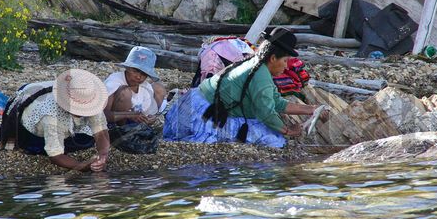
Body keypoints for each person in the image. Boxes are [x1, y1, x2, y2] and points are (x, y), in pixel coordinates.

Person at [163, 27, 327, 147]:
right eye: (285, 61)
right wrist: (287, 131)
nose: (285, 67)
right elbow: (266, 112)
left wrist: (311, 109)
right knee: (275, 141)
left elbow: (276, 102)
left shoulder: (254, 62)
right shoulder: (261, 76)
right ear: (273, 58)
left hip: (192, 103)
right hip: (204, 114)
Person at [0, 69, 110, 172]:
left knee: (85, 140)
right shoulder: (51, 117)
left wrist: (103, 156)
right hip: (29, 104)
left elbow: (101, 133)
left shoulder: (89, 100)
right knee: (37, 147)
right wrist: (82, 166)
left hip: (42, 89)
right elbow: (55, 156)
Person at [103, 46, 167, 125]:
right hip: (113, 124)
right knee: (125, 92)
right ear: (127, 68)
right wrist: (127, 115)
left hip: (133, 125)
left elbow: (146, 114)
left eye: (143, 74)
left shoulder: (145, 87)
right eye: (135, 71)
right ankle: (120, 129)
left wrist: (149, 119)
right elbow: (102, 116)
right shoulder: (114, 81)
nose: (138, 77)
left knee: (159, 88)